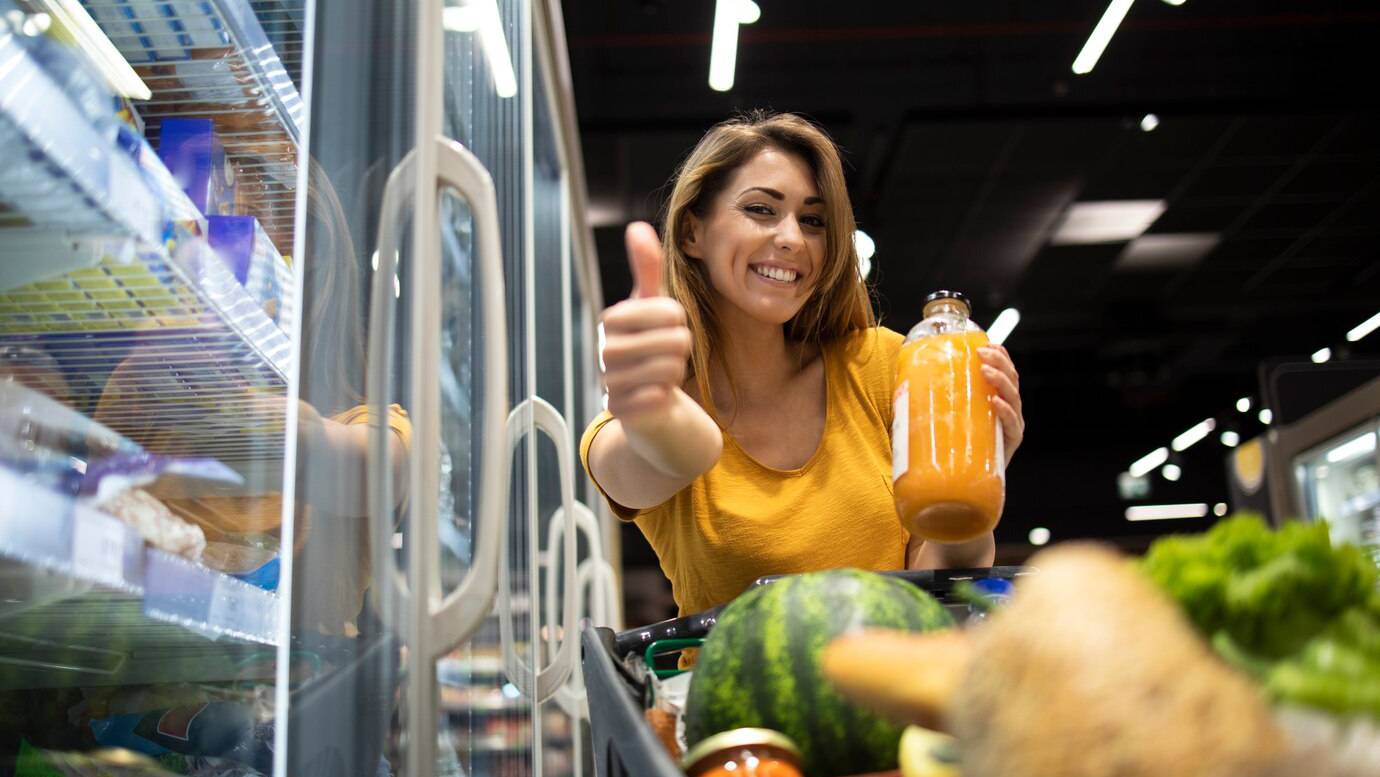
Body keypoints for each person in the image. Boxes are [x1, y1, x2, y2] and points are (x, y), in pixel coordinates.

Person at [579, 111, 1025, 621]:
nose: (792, 237)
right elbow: (672, 456)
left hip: (891, 685)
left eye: (812, 220)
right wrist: (652, 412)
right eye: (761, 209)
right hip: (737, 698)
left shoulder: (884, 364)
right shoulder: (630, 428)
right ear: (691, 234)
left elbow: (939, 576)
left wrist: (974, 477)